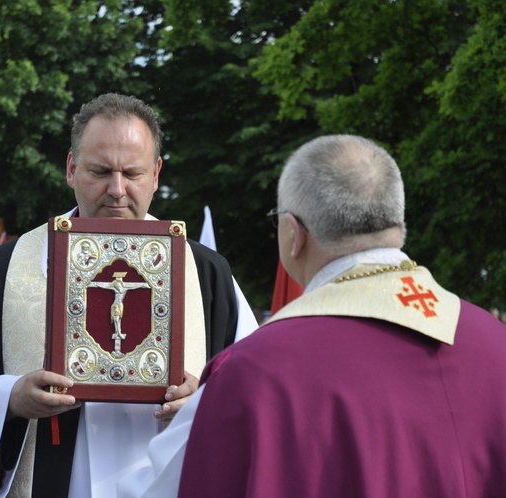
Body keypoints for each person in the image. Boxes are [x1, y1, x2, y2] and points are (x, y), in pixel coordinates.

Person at [119, 134, 506, 498]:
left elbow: (154, 489)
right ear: (397, 221)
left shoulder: (255, 372)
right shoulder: (494, 343)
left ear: (293, 234)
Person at [0, 93, 259, 498]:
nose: (117, 190)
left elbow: (256, 389)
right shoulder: (12, 267)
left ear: (157, 174)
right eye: (100, 171)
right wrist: (11, 397)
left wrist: (203, 404)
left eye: (132, 172)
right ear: (72, 168)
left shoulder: (205, 273)